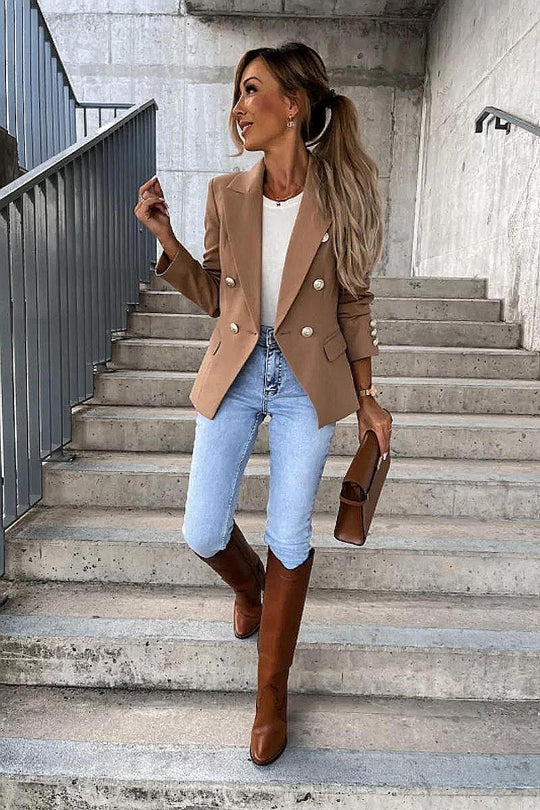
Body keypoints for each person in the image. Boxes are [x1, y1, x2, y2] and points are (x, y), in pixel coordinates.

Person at [135, 41, 392, 767]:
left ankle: (270, 694)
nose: (239, 106)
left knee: (290, 534)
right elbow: (221, 298)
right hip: (239, 370)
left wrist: (368, 398)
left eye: (252, 90)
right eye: (237, 92)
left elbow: (354, 302)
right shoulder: (227, 193)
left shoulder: (339, 196)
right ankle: (250, 588)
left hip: (309, 378)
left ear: (294, 104)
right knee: (201, 528)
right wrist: (167, 240)